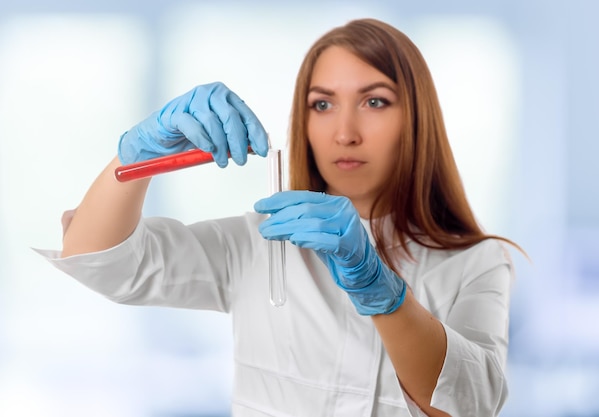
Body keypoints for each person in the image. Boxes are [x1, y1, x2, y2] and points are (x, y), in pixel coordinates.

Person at [38, 18, 519, 417]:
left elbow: (470, 403)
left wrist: (381, 292)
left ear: (416, 118)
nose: (344, 132)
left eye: (375, 101)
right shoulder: (260, 240)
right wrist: (134, 157)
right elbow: (100, 260)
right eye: (322, 104)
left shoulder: (477, 260)